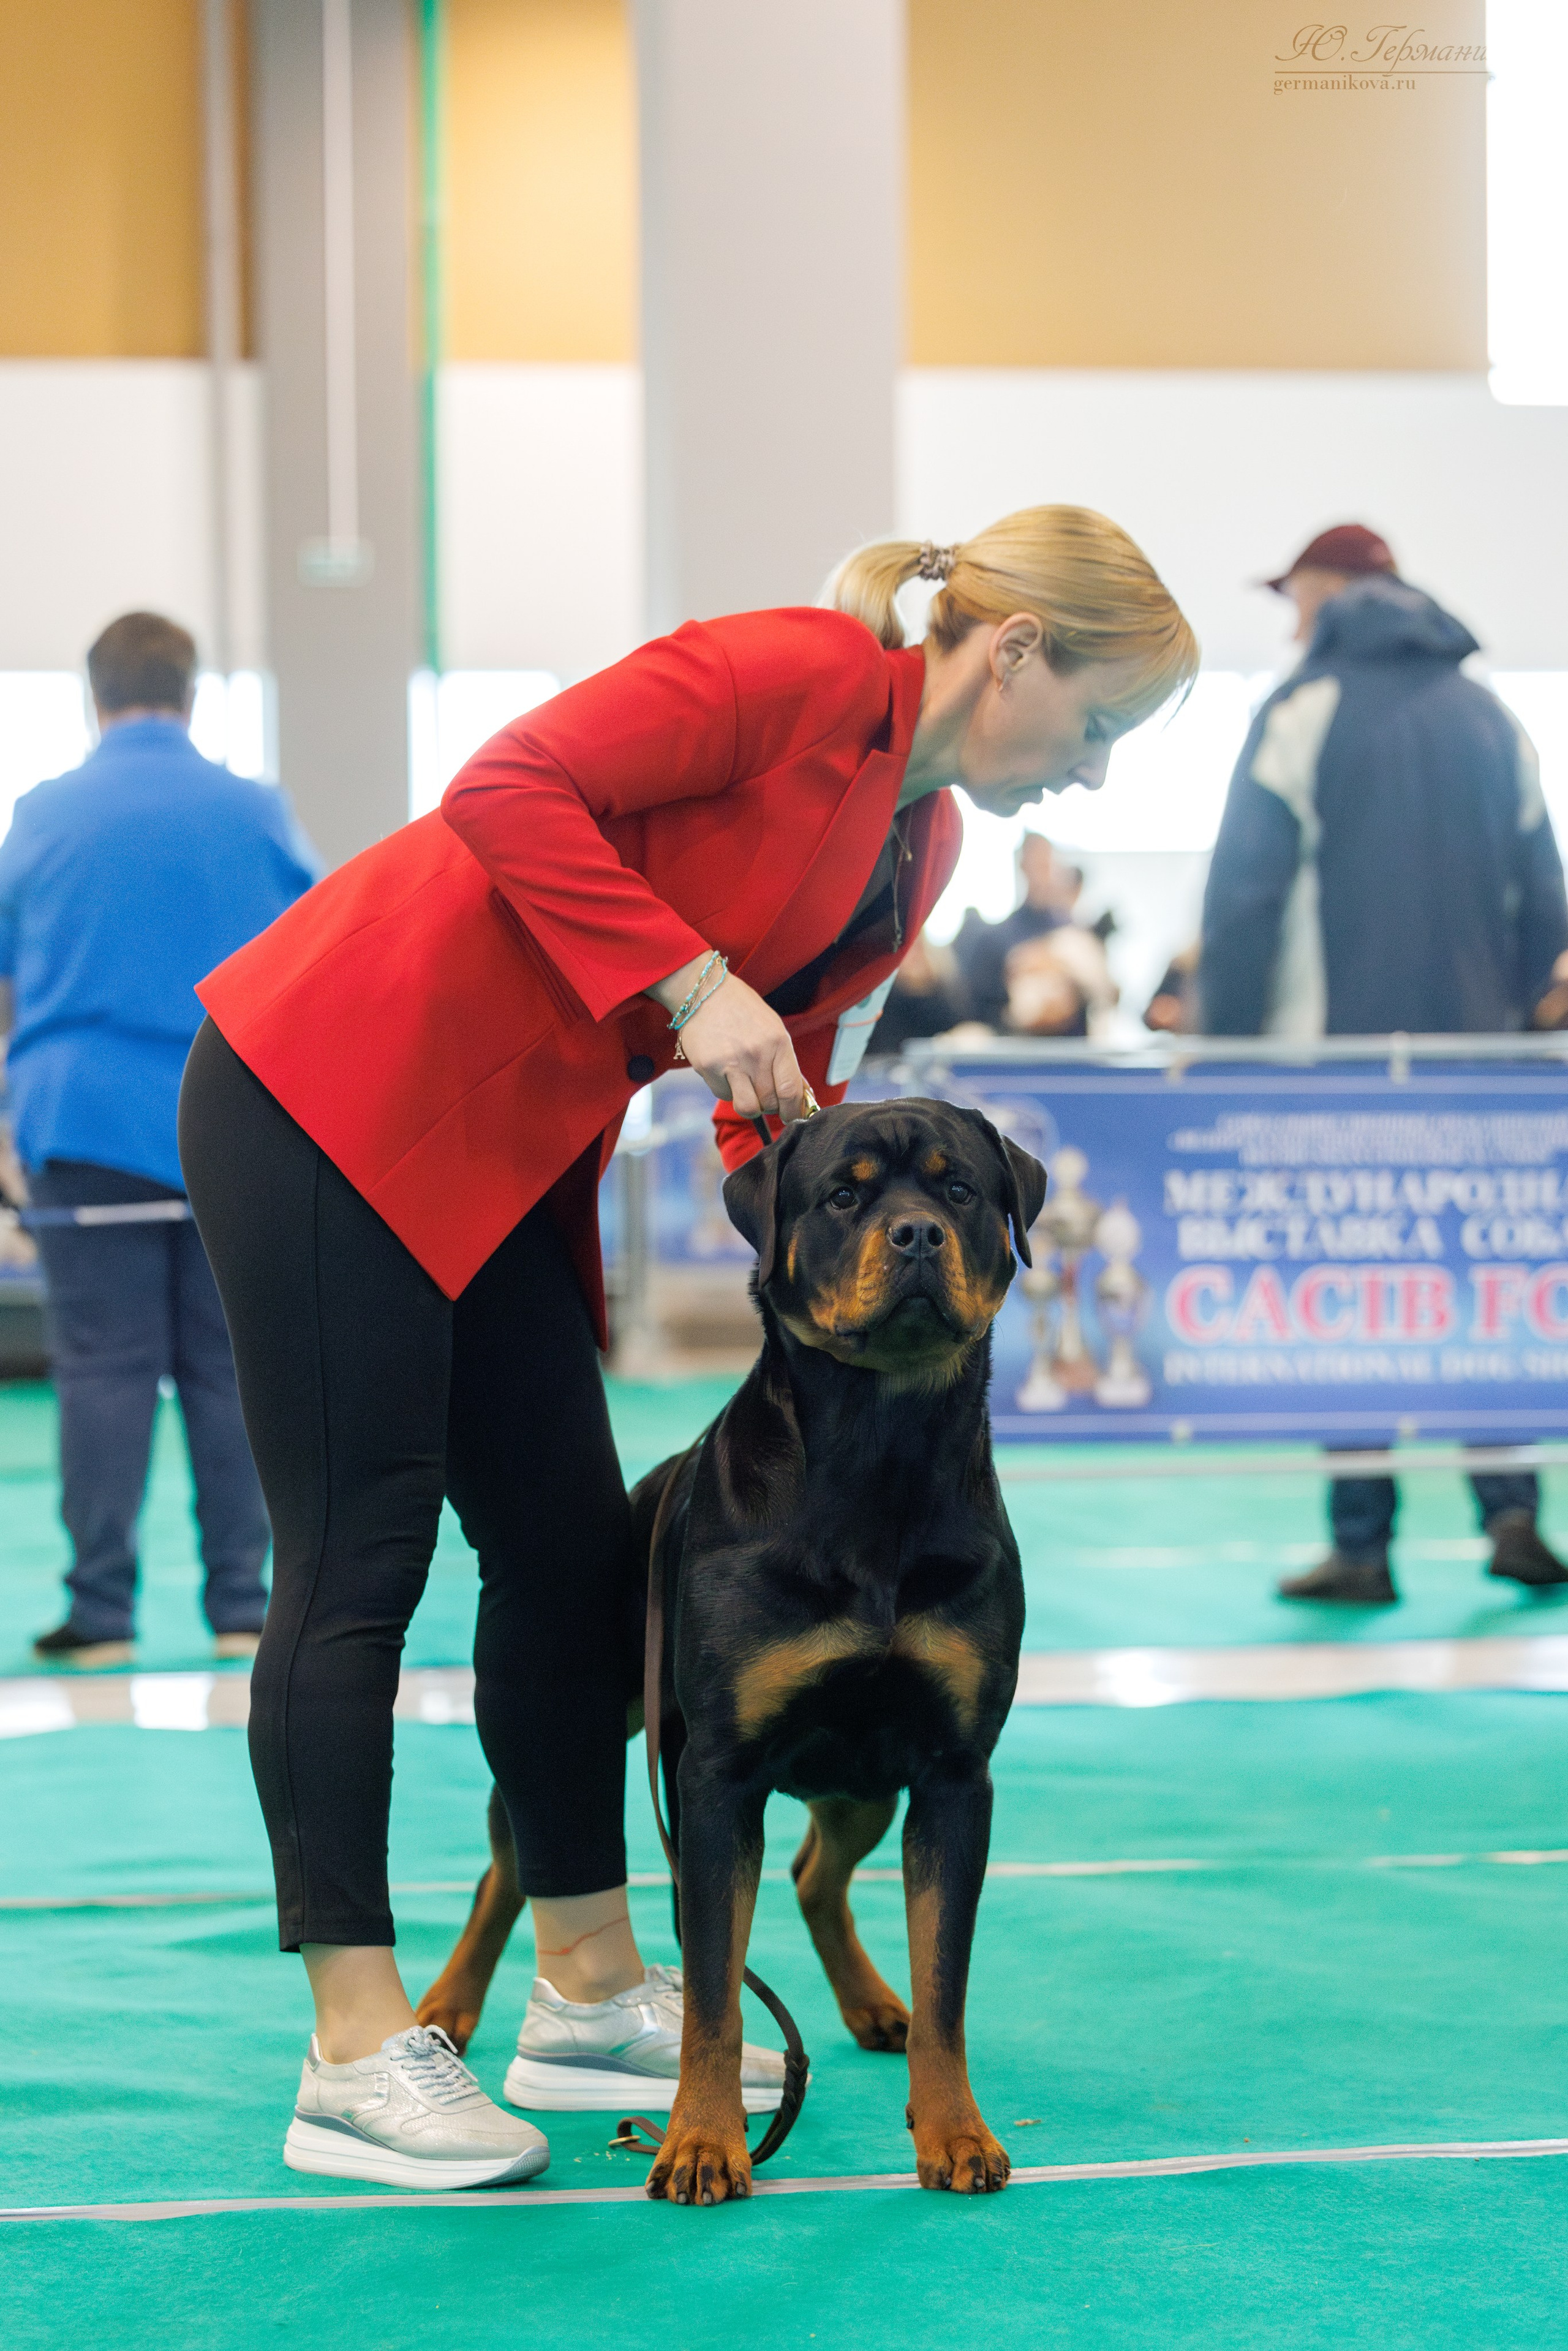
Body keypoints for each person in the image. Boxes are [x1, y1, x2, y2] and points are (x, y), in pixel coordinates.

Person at [176, 506, 1197, 2190]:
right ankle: (354, 2043)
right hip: (328, 1085)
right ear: (1011, 649)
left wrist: (839, 1195)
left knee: (577, 1554)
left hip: (501, 1148)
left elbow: (770, 1086)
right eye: (1095, 726)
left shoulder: (920, 838)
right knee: (360, 1552)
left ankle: (581, 1979)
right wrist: (687, 969)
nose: (1090, 776)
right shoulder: (793, 673)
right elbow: (505, 785)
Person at [1200, 525, 1568, 1605]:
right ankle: (1513, 1513)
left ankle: (1362, 1544)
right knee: (1472, 1275)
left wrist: (1222, 1055)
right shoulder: (1492, 718)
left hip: (1333, 1068)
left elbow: (1243, 902)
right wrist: (1505, 1012)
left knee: (1352, 1278)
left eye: (1297, 595)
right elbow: (1548, 903)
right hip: (1477, 1068)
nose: (1291, 619)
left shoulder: (1301, 712)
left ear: (1335, 590)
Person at [0, 614, 320, 1667]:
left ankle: (99, 1615)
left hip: (81, 1122)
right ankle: (241, 1608)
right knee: (230, 1367)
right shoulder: (252, 808)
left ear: (94, 697)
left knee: (101, 1367)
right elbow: (319, 955)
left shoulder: (42, 815)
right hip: (227, 1122)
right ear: (192, 693)